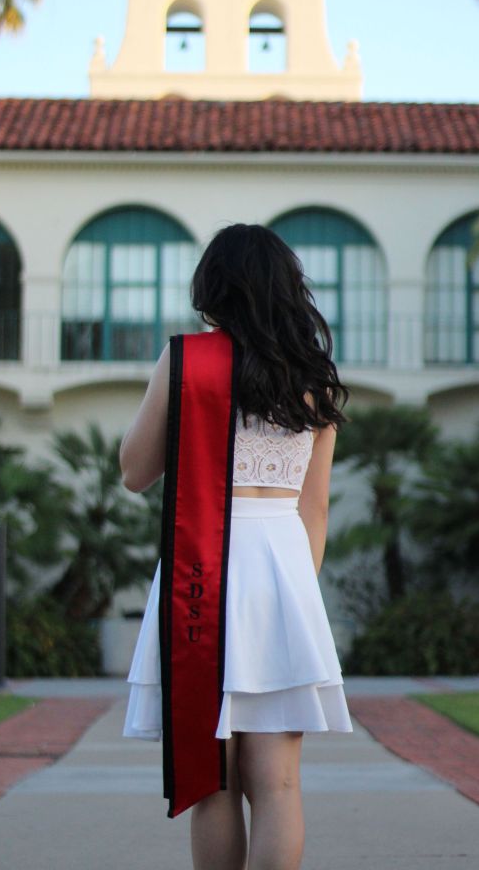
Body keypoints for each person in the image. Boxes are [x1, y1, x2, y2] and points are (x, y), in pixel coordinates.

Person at [119, 223, 354, 870]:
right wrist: (295, 602)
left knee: (211, 784)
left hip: (204, 569)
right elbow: (315, 506)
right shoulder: (313, 381)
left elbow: (134, 471)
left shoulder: (187, 359)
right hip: (282, 572)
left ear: (212, 287)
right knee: (277, 785)